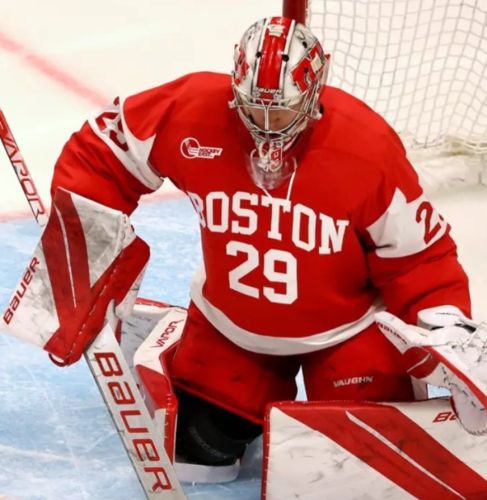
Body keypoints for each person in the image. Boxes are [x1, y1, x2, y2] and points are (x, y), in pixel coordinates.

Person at [37, 16, 477, 472]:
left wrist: (443, 322)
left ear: (313, 92)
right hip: (234, 329)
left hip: (348, 331)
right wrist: (84, 237)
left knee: (360, 464)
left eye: (281, 110)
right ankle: (185, 360)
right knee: (201, 449)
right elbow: (105, 151)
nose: (266, 124)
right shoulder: (193, 111)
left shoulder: (366, 146)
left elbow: (419, 257)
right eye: (254, 107)